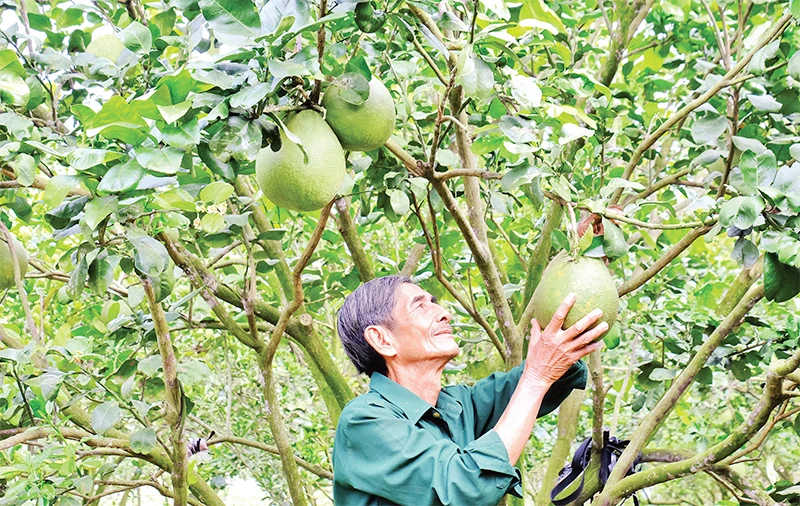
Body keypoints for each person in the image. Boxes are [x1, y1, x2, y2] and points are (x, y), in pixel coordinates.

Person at [333, 275, 607, 505]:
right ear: (382, 340)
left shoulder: (459, 405)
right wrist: (537, 375)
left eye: (434, 302)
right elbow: (463, 487)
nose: (444, 313)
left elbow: (558, 368)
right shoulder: (363, 422)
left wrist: (580, 259)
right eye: (420, 306)